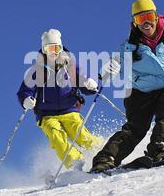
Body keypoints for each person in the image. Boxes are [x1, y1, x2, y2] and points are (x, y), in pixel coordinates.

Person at [90, 0, 164, 173]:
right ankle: (106, 158)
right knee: (136, 128)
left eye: (149, 16)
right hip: (138, 91)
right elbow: (110, 71)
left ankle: (161, 147)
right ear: (134, 23)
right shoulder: (129, 46)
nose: (146, 23)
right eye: (140, 19)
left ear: (156, 16)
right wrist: (108, 70)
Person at [17, 29, 104, 169]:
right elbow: (25, 90)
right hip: (47, 115)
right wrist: (26, 99)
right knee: (57, 137)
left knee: (80, 134)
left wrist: (90, 84)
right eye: (49, 49)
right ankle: (75, 162)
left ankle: (104, 153)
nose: (53, 52)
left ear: (61, 48)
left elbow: (84, 83)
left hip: (69, 110)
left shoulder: (71, 66)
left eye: (56, 48)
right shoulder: (37, 70)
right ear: (44, 51)